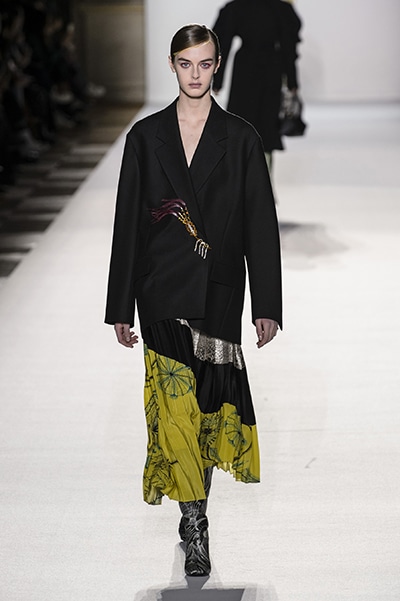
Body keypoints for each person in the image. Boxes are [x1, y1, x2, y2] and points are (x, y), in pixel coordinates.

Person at [104, 24, 282, 578]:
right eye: (186, 63)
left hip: (219, 290)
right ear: (172, 65)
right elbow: (128, 223)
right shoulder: (145, 137)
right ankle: (196, 521)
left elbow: (260, 223)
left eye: (205, 64)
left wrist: (267, 303)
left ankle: (194, 507)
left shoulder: (241, 137)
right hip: (160, 288)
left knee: (205, 411)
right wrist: (119, 305)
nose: (196, 74)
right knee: (176, 409)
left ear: (217, 64)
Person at [212, 0, 302, 171]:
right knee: (266, 122)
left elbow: (223, 42)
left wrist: (218, 80)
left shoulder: (236, 8)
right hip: (270, 68)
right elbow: (288, 45)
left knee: (241, 121)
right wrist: (292, 80)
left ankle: (241, 175)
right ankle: (264, 176)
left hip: (245, 67)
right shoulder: (280, 8)